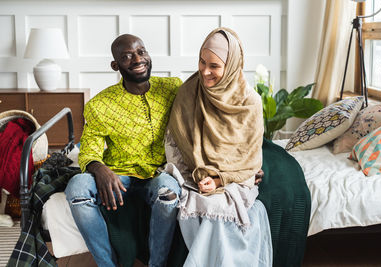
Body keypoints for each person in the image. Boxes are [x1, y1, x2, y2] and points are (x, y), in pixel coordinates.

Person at [64, 34, 182, 267]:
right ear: (115, 66)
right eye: (127, 56)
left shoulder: (172, 88)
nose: (138, 59)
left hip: (158, 173)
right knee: (76, 187)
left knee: (168, 193)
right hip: (120, 175)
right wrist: (100, 169)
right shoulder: (100, 105)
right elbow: (89, 151)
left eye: (141, 51)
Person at [165, 27, 272, 266]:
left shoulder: (250, 102)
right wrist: (196, 176)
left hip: (233, 180)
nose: (204, 71)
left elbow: (251, 159)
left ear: (231, 65)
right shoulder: (188, 92)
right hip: (194, 176)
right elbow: (175, 144)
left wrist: (219, 179)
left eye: (214, 66)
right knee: (199, 207)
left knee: (217, 214)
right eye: (202, 62)